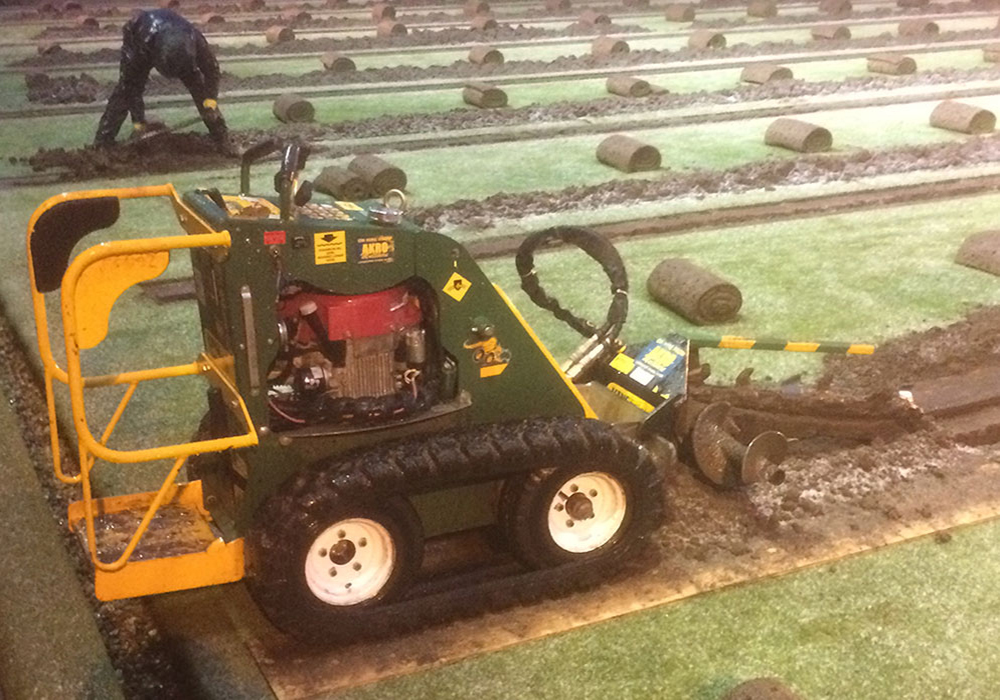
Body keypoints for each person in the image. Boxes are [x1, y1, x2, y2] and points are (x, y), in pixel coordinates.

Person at [94, 9, 230, 150]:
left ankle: (221, 138)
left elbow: (212, 70)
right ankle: (103, 143)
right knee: (125, 89)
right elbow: (132, 87)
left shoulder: (195, 41)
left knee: (199, 87)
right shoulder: (142, 49)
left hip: (176, 38)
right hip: (140, 35)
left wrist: (211, 102)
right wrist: (138, 122)